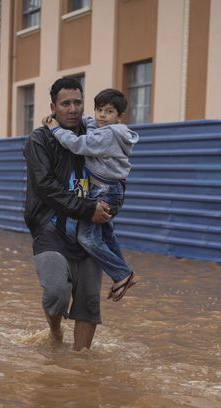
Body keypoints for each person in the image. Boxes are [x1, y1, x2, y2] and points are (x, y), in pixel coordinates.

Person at [23, 77, 113, 350]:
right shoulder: (40, 140)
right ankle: (55, 331)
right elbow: (45, 187)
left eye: (77, 102)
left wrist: (109, 208)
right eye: (65, 104)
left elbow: (117, 177)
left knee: (88, 302)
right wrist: (88, 208)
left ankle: (81, 362)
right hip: (50, 229)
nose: (73, 109)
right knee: (56, 292)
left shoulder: (96, 138)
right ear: (53, 107)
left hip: (90, 232)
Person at [42, 88, 140, 302]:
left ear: (119, 117)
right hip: (109, 188)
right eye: (99, 110)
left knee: (86, 238)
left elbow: (78, 144)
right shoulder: (109, 129)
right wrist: (82, 118)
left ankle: (122, 275)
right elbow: (93, 125)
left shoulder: (108, 135)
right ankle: (124, 275)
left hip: (104, 191)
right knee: (107, 235)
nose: (102, 115)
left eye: (109, 111)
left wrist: (55, 128)